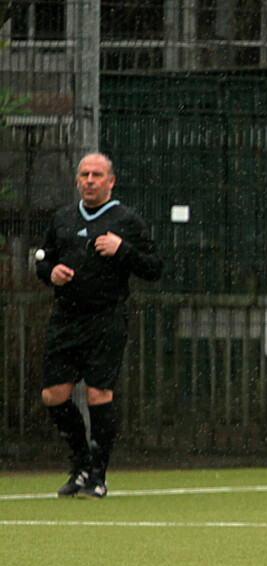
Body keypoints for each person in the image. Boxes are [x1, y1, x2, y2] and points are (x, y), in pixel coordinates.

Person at [36, 153, 163, 499]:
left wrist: (122, 250)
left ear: (111, 181)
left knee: (98, 394)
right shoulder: (62, 219)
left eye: (97, 175)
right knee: (53, 395)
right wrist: (51, 274)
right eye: (84, 174)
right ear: (77, 180)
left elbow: (153, 267)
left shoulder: (127, 221)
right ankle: (80, 463)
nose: (90, 180)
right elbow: (43, 260)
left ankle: (97, 474)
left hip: (106, 320)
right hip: (66, 320)